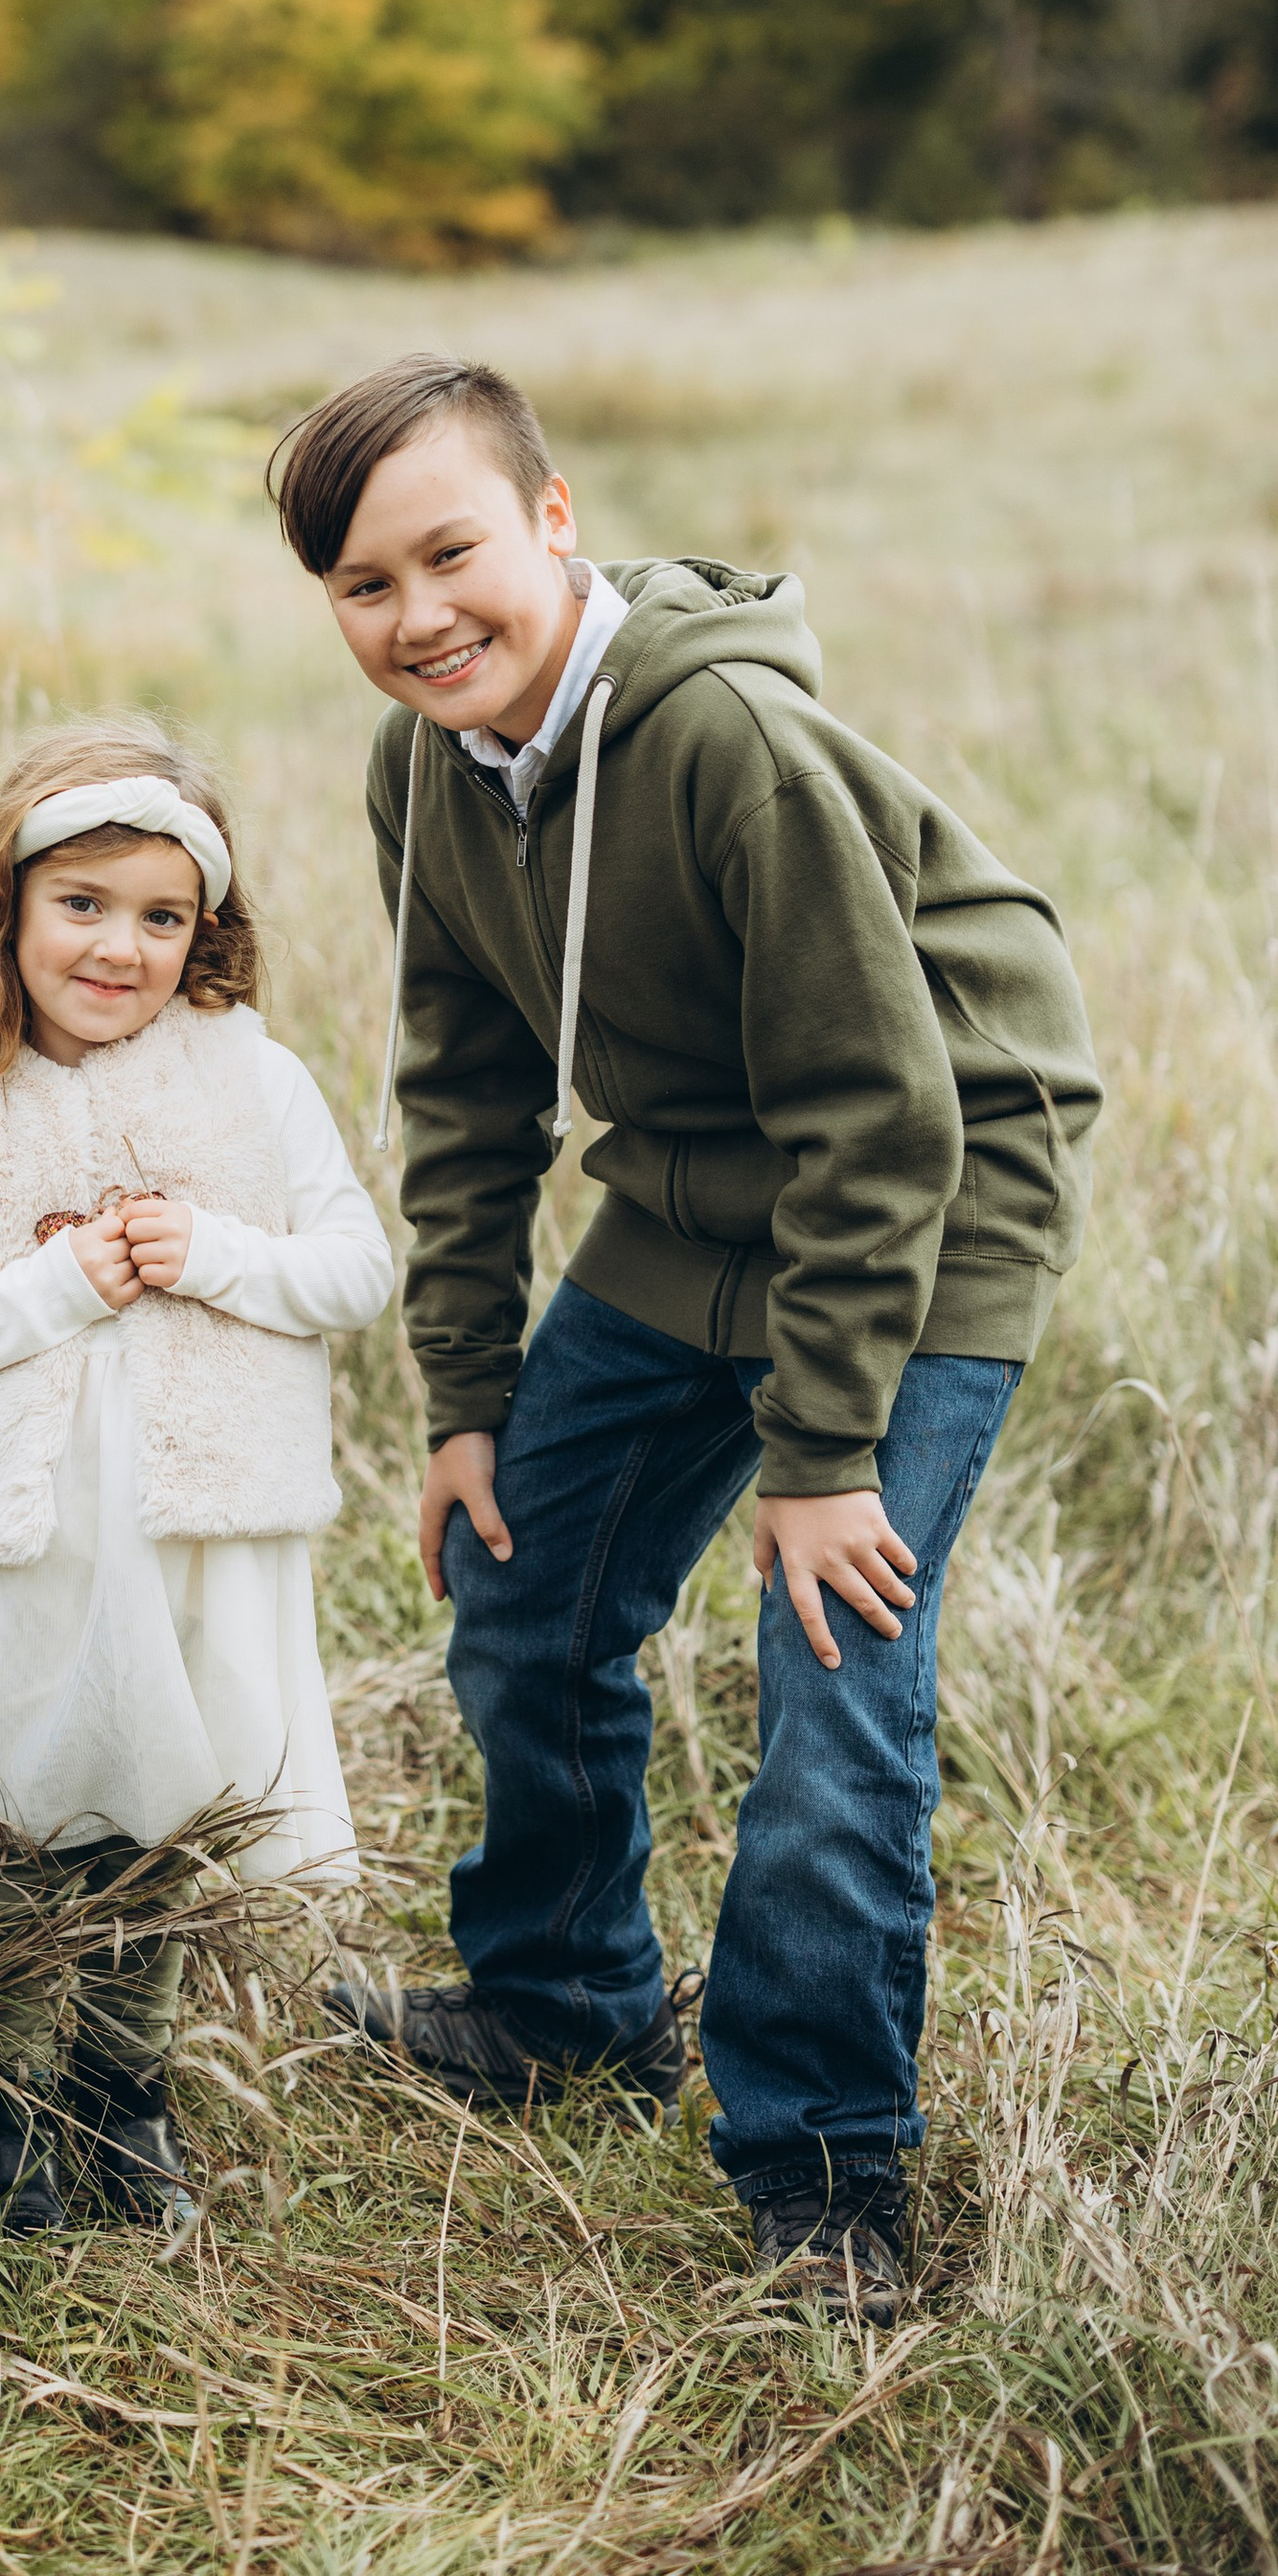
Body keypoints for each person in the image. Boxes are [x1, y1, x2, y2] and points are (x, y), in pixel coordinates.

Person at [268, 353, 1101, 2324]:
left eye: (451, 554)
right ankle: (563, 2000)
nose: (417, 617)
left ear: (553, 521)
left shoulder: (728, 741)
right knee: (521, 1581)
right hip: (690, 1190)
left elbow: (877, 1112)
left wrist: (820, 1458)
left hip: (927, 1195)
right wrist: (466, 1400)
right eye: (364, 586)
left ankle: (822, 2165)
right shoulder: (423, 767)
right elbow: (464, 1093)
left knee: (834, 1665)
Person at [0, 723, 394, 2239]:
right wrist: (54, 1288)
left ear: (202, 935)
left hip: (190, 1528)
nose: (118, 947)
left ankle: (123, 2088)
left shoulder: (253, 1080)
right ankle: (4, 2102)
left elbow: (354, 1268)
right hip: (23, 1540)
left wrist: (213, 1254)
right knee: (10, 1818)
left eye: (161, 918)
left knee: (160, 1818)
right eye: (81, 905)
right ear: (10, 908)